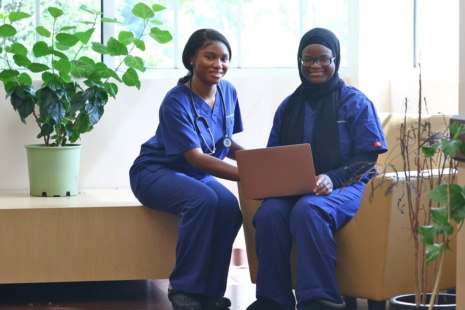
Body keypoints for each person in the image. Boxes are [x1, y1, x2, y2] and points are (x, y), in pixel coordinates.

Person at [246, 28, 388, 310]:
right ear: (299, 61)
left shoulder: (355, 102)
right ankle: (273, 300)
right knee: (270, 213)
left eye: (323, 59)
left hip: (350, 184)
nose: (315, 66)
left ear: (335, 60)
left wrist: (331, 179)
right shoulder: (288, 106)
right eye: (307, 59)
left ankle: (321, 300)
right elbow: (275, 156)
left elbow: (367, 157)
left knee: (309, 209)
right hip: (297, 187)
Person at [129, 28, 244, 310]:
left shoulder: (228, 92)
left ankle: (211, 291)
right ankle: (184, 287)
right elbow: (196, 157)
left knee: (230, 208)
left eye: (224, 58)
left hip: (192, 174)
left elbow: (225, 142)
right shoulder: (176, 100)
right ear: (192, 58)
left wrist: (263, 163)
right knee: (202, 200)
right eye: (210, 56)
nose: (219, 64)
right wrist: (252, 175)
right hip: (155, 171)